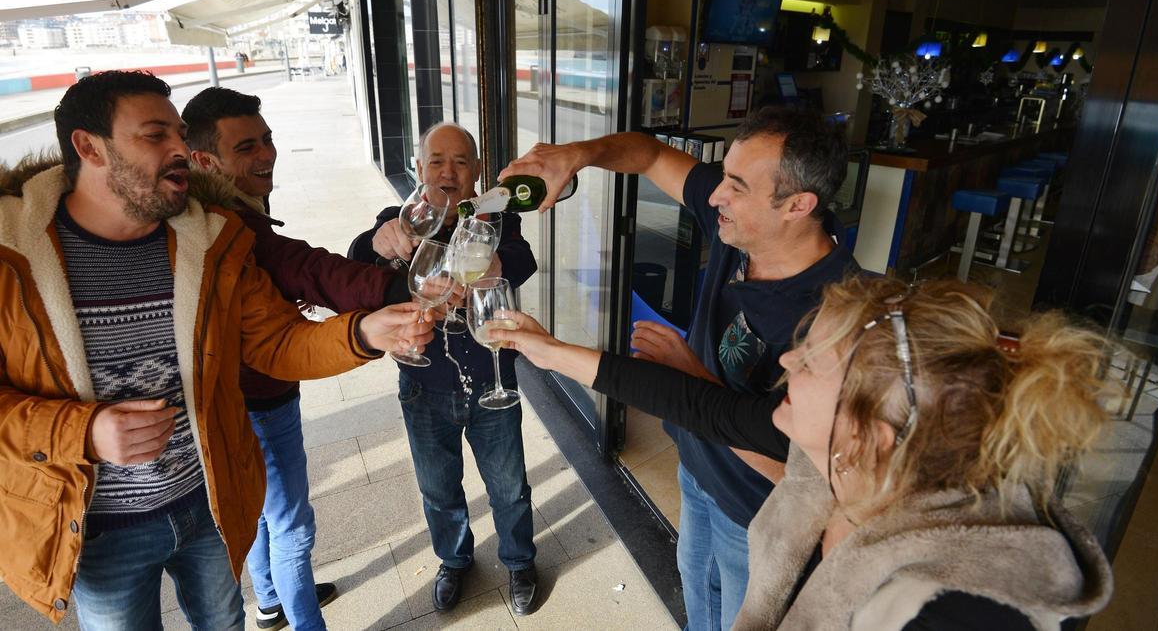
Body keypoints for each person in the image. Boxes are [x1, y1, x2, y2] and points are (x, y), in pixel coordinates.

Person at [0, 70, 431, 628]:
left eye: (179, 133)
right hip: (96, 527)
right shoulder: (13, 257)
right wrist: (83, 431)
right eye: (155, 135)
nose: (181, 150)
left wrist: (366, 333)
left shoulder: (208, 239)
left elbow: (277, 341)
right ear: (89, 147)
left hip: (209, 505)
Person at [490, 276, 1115, 629]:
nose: (786, 362)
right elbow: (702, 406)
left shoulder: (954, 613)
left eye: (810, 359)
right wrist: (550, 353)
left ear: (871, 435)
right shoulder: (831, 468)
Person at [501, 106, 857, 628]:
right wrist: (576, 156)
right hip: (694, 469)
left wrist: (692, 378)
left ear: (798, 205)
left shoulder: (834, 317)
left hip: (755, 513)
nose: (715, 196)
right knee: (696, 600)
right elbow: (646, 154)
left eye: (735, 185)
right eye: (724, 175)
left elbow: (804, 472)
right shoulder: (743, 221)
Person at [181, 86, 413, 631]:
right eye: (246, 148)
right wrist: (397, 289)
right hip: (260, 395)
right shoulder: (224, 219)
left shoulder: (213, 206)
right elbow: (305, 267)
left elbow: (289, 274)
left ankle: (269, 602)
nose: (265, 155)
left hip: (233, 395)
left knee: (260, 515)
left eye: (267, 140)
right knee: (293, 527)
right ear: (202, 159)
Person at [349, 122, 540, 615]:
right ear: (419, 167)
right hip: (423, 382)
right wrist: (377, 240)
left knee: (510, 486)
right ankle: (454, 561)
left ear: (477, 170)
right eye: (437, 161)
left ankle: (519, 561)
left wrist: (491, 264)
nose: (448, 171)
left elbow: (522, 258)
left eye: (460, 161)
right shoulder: (401, 220)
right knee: (438, 488)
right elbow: (356, 259)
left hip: (491, 375)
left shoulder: (493, 215)